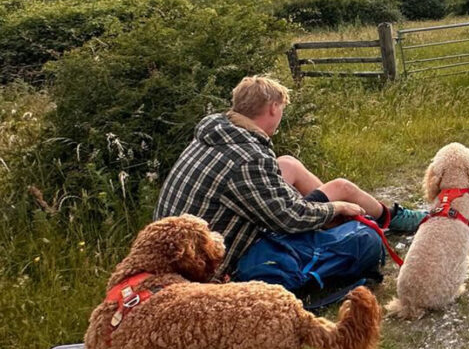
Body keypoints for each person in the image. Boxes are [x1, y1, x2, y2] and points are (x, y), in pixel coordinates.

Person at [154, 75, 425, 282]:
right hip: (215, 266)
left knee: (288, 163)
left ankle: (366, 217)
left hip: (181, 251)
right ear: (273, 108)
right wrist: (336, 207)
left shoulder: (217, 133)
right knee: (344, 196)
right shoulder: (249, 158)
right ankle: (381, 218)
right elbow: (288, 219)